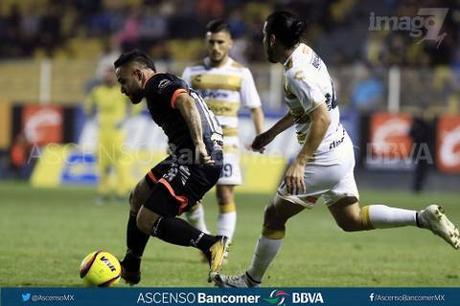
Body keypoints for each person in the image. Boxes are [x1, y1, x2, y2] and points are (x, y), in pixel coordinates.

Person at [213, 11, 460, 288]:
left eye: (263, 36)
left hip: (323, 158)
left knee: (274, 216)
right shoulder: (306, 53)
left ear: (272, 39)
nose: (262, 42)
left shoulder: (296, 72)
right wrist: (271, 133)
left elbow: (320, 117)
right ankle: (422, 218)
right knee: (351, 219)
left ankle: (250, 281)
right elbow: (308, 109)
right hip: (341, 148)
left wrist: (301, 161)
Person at [113, 49, 229, 285]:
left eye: (123, 81)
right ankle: (131, 266)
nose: (122, 89)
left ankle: (211, 244)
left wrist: (198, 144)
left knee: (146, 219)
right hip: (186, 156)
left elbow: (186, 102)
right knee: (138, 196)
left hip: (196, 160)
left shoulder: (156, 84)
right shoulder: (160, 86)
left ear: (137, 74)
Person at [182, 19, 264, 253]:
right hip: (196, 144)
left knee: (225, 194)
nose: (215, 47)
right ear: (206, 43)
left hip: (227, 143)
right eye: (211, 42)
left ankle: (222, 246)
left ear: (230, 43)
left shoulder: (241, 73)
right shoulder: (192, 72)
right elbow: (181, 107)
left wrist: (261, 135)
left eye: (220, 42)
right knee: (191, 198)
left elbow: (255, 107)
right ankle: (206, 241)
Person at [84, 66, 130, 202]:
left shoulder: (122, 91)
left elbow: (134, 105)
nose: (108, 77)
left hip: (117, 132)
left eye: (111, 75)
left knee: (120, 163)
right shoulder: (97, 91)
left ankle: (121, 192)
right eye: (106, 75)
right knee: (103, 163)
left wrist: (125, 119)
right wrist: (93, 118)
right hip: (103, 132)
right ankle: (103, 192)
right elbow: (88, 106)